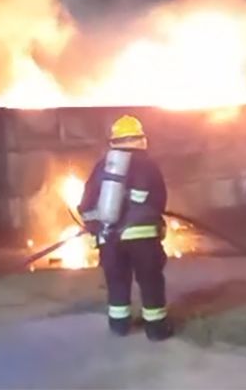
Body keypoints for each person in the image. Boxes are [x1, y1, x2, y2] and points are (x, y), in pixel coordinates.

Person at [77, 115, 172, 341]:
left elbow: (87, 203)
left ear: (114, 140)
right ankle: (156, 330)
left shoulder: (104, 165)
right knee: (150, 281)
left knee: (117, 282)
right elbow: (159, 200)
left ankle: (119, 326)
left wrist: (95, 227)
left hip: (110, 238)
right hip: (143, 238)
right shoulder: (149, 165)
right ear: (141, 138)